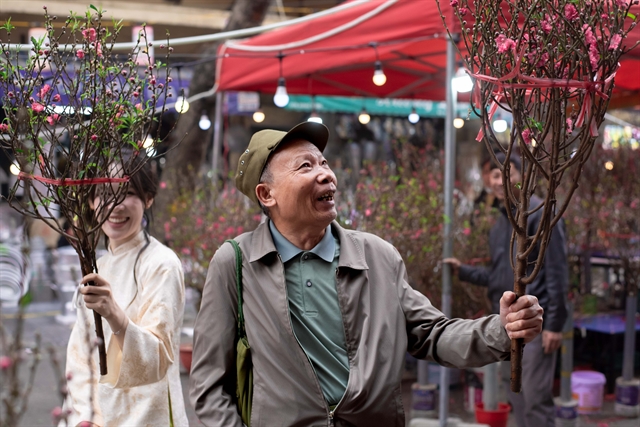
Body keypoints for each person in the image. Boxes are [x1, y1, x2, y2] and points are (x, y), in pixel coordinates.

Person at [190, 122, 544, 427]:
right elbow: (208, 385)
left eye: (324, 163)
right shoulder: (236, 263)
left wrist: (502, 329)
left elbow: (431, 334)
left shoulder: (376, 255)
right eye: (305, 166)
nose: (326, 174)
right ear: (266, 194)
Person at [62, 154, 188, 427]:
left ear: (148, 198)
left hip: (146, 417)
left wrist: (114, 314)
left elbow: (157, 360)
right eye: (105, 194)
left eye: (128, 193)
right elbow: (80, 358)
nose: (115, 206)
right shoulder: (100, 264)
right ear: (92, 202)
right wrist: (83, 416)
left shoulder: (161, 264)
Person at [444, 152, 568, 427]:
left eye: (508, 173)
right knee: (517, 399)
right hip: (507, 325)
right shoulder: (502, 223)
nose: (501, 181)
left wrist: (555, 325)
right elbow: (500, 277)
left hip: (534, 324)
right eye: (495, 175)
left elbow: (558, 270)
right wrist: (463, 271)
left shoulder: (539, 214)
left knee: (535, 400)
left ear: (523, 177)